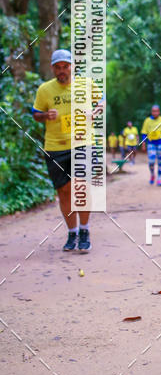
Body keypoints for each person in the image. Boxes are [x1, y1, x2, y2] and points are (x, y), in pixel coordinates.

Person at [32, 48, 103, 253]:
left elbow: (101, 101)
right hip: (55, 146)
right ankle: (72, 233)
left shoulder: (86, 84)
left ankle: (85, 230)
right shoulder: (45, 90)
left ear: (72, 66)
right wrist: (45, 116)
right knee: (64, 192)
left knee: (80, 186)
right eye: (58, 67)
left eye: (65, 66)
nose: (62, 70)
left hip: (83, 143)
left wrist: (94, 111)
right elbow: (36, 113)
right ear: (53, 69)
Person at [140, 106, 161, 186]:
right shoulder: (147, 121)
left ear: (159, 112)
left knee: (160, 161)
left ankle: (159, 178)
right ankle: (152, 174)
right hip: (151, 143)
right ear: (151, 112)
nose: (155, 113)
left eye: (156, 111)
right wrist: (143, 143)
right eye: (153, 111)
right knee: (151, 162)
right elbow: (144, 133)